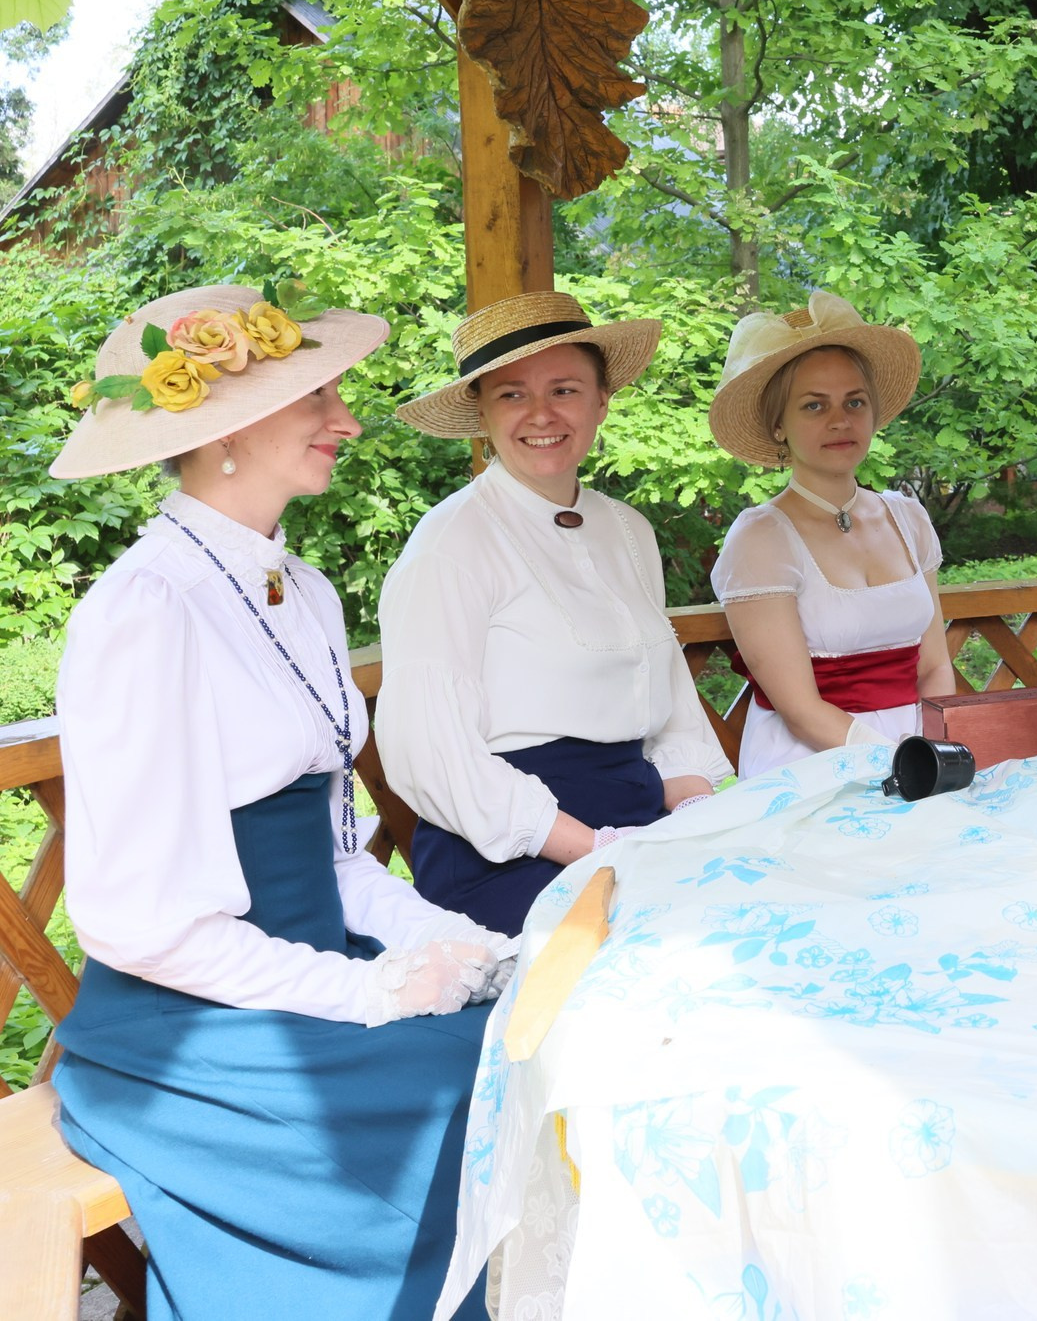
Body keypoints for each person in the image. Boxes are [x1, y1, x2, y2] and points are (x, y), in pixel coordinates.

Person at [45, 282, 507, 1320]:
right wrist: (378, 995)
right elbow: (142, 924)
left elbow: (341, 860)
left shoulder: (304, 591)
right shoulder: (141, 611)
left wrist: (466, 942)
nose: (346, 420)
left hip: (305, 974)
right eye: (318, 399)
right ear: (227, 432)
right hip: (183, 1022)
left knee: (512, 1029)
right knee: (452, 1093)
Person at [375, 291, 730, 934]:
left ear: (601, 401)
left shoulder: (628, 530)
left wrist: (696, 826)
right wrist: (600, 853)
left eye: (565, 389)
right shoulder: (449, 545)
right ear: (481, 412)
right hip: (510, 855)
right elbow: (431, 755)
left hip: (638, 831)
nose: (541, 414)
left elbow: (671, 709)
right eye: (512, 394)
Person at [705, 291, 955, 777]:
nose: (840, 421)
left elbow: (934, 668)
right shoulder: (761, 539)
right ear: (779, 425)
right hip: (813, 764)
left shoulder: (907, 519)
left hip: (921, 752)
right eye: (814, 406)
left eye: (854, 402)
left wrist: (935, 755)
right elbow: (800, 711)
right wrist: (895, 763)